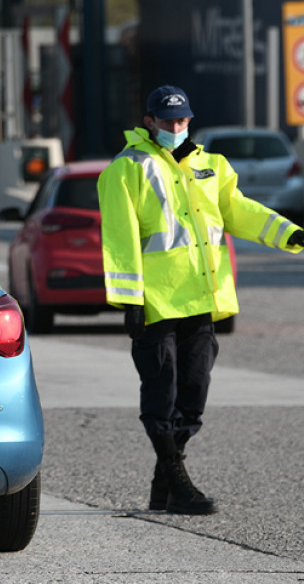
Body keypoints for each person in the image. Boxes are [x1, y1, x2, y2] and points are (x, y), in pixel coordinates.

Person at [98, 85, 304, 515]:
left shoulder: (211, 165)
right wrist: (128, 300)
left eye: (182, 120)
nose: (176, 127)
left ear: (189, 120)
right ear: (149, 121)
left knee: (194, 393)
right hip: (156, 304)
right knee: (162, 394)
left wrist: (288, 233)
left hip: (202, 300)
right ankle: (177, 481)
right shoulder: (126, 169)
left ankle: (164, 484)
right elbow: (119, 240)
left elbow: (239, 210)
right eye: (168, 120)